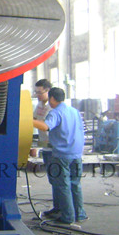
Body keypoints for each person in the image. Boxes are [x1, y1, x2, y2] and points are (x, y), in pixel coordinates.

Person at [33, 87, 87, 227]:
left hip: (62, 154)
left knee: (63, 185)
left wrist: (26, 120)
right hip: (76, 153)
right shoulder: (74, 111)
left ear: (52, 98)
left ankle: (68, 217)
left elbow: (45, 127)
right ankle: (80, 214)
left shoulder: (55, 112)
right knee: (75, 184)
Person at [33, 79, 57, 215]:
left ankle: (62, 210)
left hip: (54, 148)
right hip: (46, 147)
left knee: (58, 180)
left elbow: (44, 126)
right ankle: (57, 208)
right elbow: (34, 118)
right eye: (36, 92)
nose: (37, 95)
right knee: (53, 179)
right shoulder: (39, 104)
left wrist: (27, 120)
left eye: (40, 92)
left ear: (48, 91)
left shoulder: (52, 108)